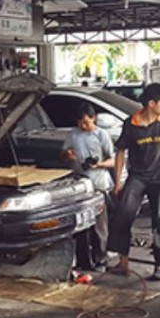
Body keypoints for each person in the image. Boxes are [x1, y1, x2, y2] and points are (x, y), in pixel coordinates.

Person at [108, 83, 160, 281]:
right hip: (138, 177)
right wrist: (118, 182)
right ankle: (122, 262)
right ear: (151, 103)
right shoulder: (130, 124)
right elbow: (120, 152)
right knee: (124, 214)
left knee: (159, 222)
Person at [62, 103, 115, 271]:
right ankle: (83, 260)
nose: (82, 126)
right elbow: (62, 156)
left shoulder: (101, 135)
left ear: (93, 119)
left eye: (86, 122)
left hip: (98, 184)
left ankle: (101, 259)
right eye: (79, 123)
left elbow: (113, 160)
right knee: (80, 225)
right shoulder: (73, 135)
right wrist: (68, 155)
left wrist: (99, 164)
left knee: (100, 225)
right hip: (79, 185)